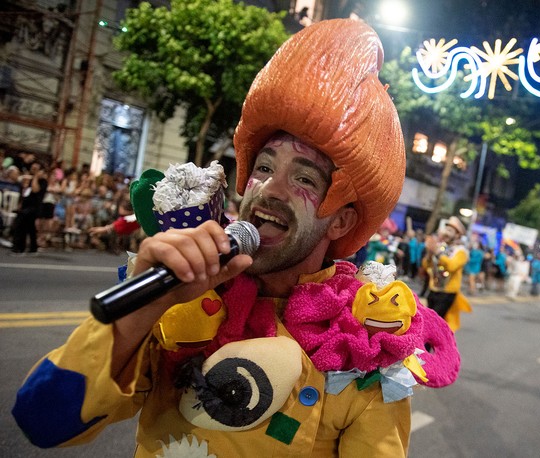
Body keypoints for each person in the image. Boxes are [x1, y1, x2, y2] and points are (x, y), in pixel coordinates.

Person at [13, 19, 460, 456]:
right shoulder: (184, 301)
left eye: (303, 178)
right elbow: (43, 420)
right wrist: (147, 303)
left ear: (340, 222)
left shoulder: (363, 339)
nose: (268, 189)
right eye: (263, 168)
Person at [422, 216, 471, 330]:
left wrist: (437, 253)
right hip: (434, 289)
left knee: (434, 324)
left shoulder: (461, 251)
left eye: (450, 231)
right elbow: (426, 266)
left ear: (458, 235)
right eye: (446, 229)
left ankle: (427, 346)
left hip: (447, 293)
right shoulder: (440, 247)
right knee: (427, 320)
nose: (446, 233)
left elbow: (452, 266)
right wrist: (429, 255)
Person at [11, 162, 48, 255]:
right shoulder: (28, 179)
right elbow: (24, 192)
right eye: (33, 168)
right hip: (26, 206)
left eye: (36, 169)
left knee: (22, 225)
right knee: (30, 228)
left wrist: (35, 177)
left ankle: (19, 248)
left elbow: (35, 190)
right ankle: (33, 247)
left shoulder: (43, 181)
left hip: (34, 207)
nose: (33, 170)